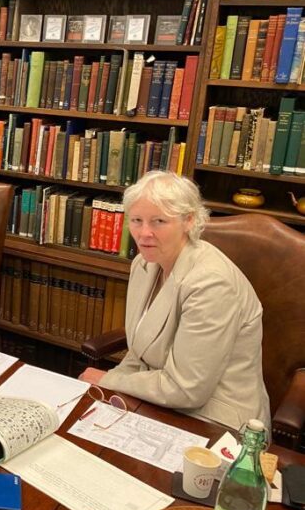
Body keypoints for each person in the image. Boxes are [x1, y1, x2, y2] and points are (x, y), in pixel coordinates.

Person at [79, 171, 270, 432]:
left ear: (188, 220)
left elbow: (187, 389)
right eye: (136, 220)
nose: (144, 233)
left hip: (215, 418)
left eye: (158, 221)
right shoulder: (145, 263)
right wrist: (106, 386)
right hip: (159, 400)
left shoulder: (211, 283)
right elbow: (139, 353)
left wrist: (108, 380)